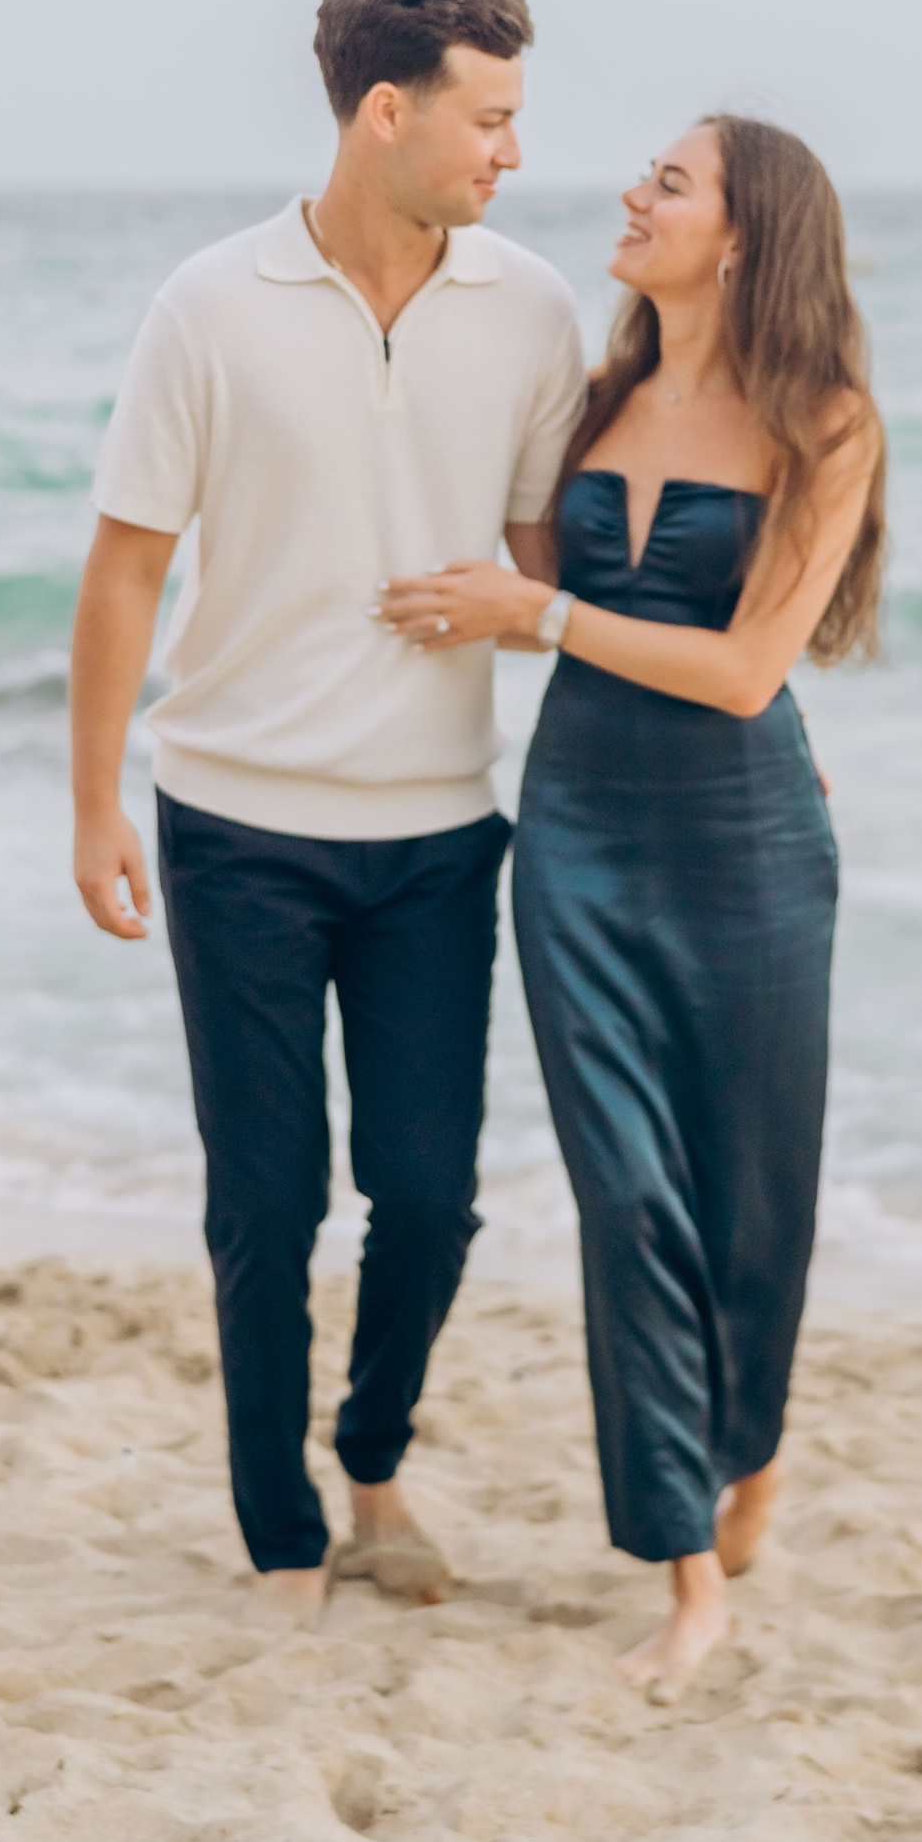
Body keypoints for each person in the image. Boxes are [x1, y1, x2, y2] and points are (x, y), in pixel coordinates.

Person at [69, 0, 586, 1616]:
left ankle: (373, 1462)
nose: (512, 153)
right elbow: (125, 572)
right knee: (268, 1200)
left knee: (429, 1196)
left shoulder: (530, 307)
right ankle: (283, 1532)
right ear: (387, 112)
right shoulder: (210, 307)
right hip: (236, 827)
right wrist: (93, 811)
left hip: (437, 831)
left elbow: (541, 564)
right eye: (489, 118)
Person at [379, 114, 883, 1695]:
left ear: (742, 236)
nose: (632, 194)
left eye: (669, 181)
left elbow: (743, 673)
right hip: (581, 834)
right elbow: (523, 588)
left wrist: (541, 609)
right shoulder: (596, 400)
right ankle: (685, 1578)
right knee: (628, 1200)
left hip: (749, 844)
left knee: (750, 1198)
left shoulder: (827, 424)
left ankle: (753, 1452)